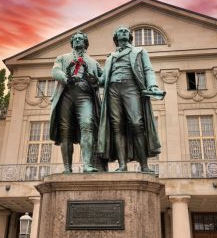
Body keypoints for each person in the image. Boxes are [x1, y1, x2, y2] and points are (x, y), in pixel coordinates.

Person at [97, 26, 164, 172]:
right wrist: (93, 79)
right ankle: (122, 165)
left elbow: (148, 69)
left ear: (129, 36)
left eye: (125, 31)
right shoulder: (110, 57)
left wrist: (152, 85)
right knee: (116, 126)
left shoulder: (139, 51)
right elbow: (103, 80)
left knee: (136, 123)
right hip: (113, 90)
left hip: (131, 88)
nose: (123, 32)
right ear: (116, 37)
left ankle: (144, 165)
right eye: (120, 31)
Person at [49, 31, 102, 173]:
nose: (78, 41)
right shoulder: (62, 58)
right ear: (72, 43)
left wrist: (95, 81)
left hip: (85, 96)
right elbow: (55, 72)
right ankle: (67, 168)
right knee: (65, 131)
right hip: (66, 94)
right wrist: (66, 79)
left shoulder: (92, 62)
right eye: (75, 39)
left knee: (87, 125)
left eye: (81, 39)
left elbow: (103, 79)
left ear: (85, 43)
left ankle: (87, 165)